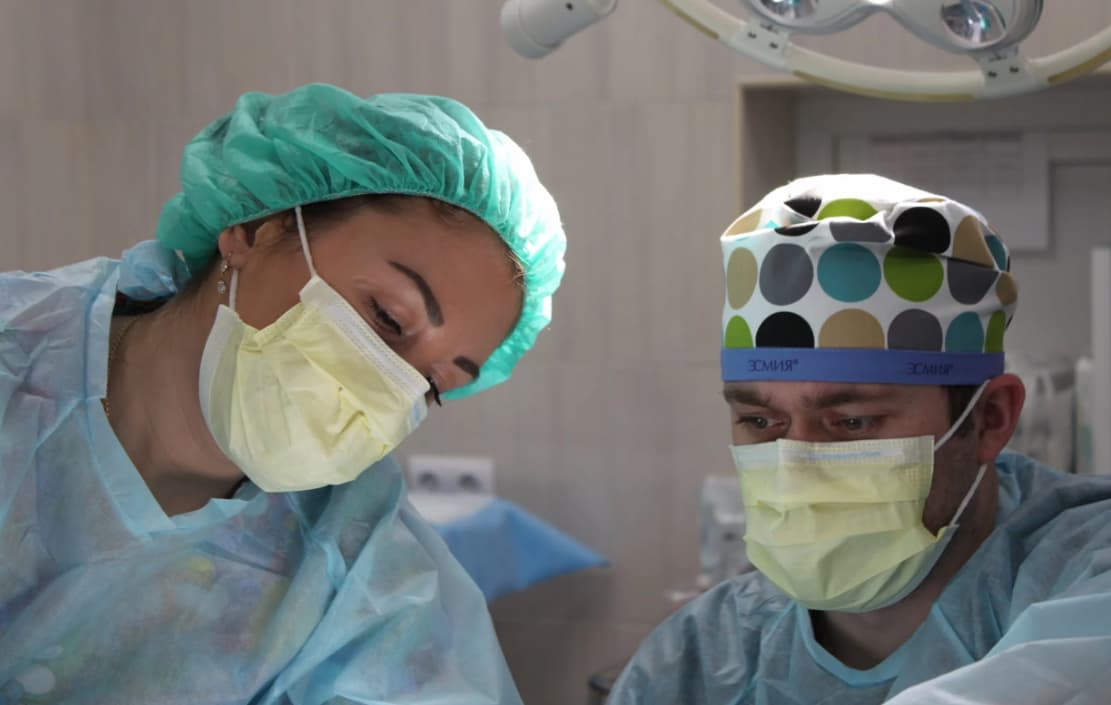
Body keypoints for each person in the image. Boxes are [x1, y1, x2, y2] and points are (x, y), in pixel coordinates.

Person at [0, 83, 565, 704]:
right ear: (254, 231)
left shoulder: (356, 566)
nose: (388, 383)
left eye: (434, 384)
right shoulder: (15, 358)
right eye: (388, 317)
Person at [608, 174, 1111, 704]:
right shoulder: (709, 656)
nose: (796, 464)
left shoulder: (1086, 580)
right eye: (760, 422)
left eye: (852, 423)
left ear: (989, 418)